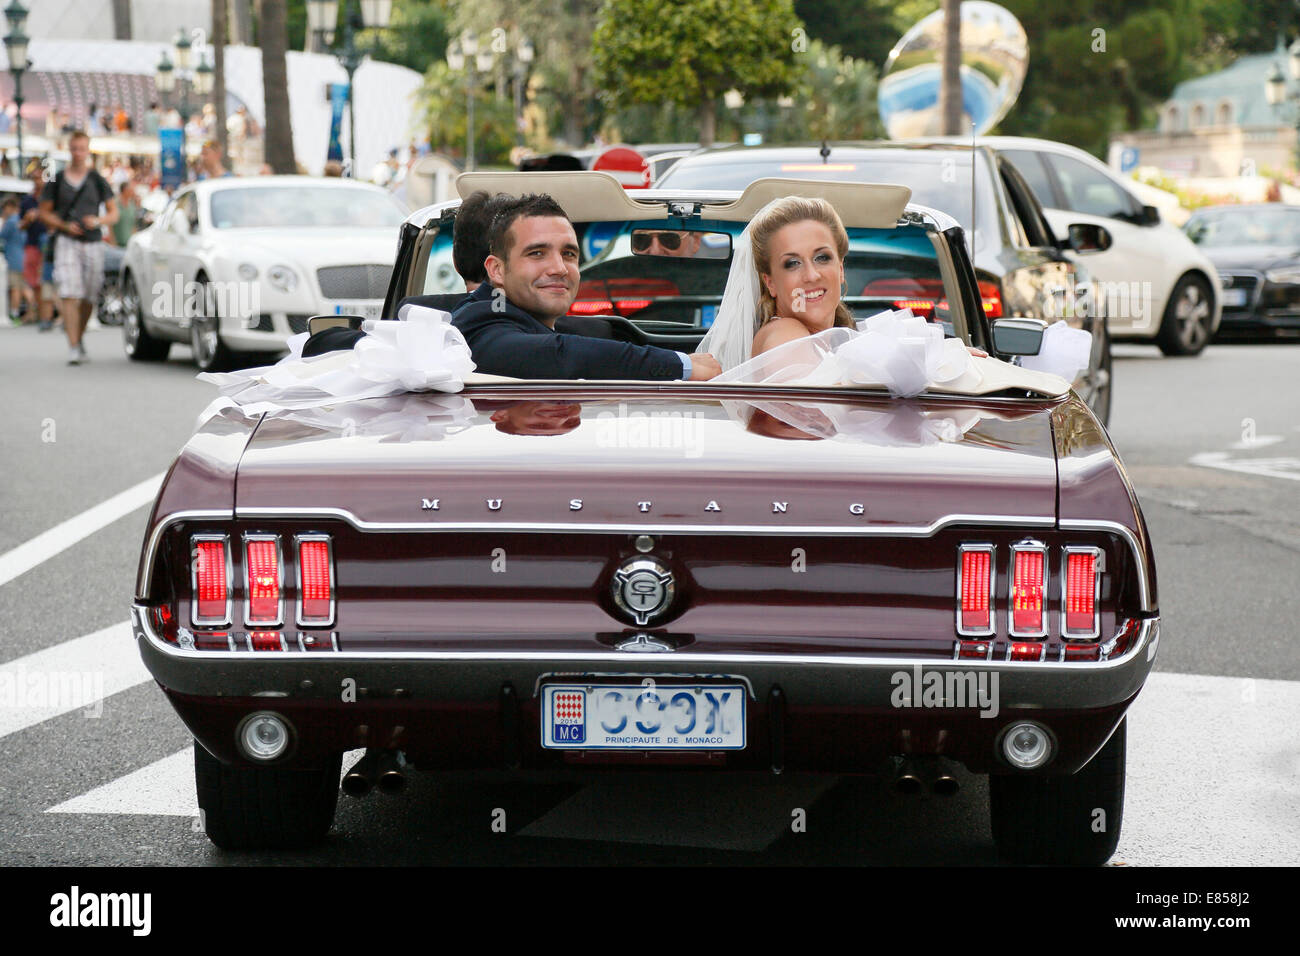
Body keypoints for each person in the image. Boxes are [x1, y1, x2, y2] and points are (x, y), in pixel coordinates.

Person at [451, 194, 719, 380]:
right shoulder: (479, 319)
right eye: (537, 253)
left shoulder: (531, 321)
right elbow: (561, 355)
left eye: (568, 254)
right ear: (496, 269)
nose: (559, 268)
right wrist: (682, 365)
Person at [701, 196, 857, 371]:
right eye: (792, 263)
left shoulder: (835, 338)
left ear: (841, 269)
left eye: (822, 258)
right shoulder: (785, 333)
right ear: (770, 282)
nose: (811, 275)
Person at [39, 130, 118, 364]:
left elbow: (113, 213)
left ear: (88, 150)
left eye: (82, 149)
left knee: (89, 294)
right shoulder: (57, 179)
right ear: (69, 149)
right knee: (69, 292)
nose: (78, 153)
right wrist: (63, 225)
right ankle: (73, 345)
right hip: (67, 241)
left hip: (93, 241)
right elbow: (44, 212)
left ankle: (79, 336)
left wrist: (98, 221)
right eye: (74, 148)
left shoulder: (97, 179)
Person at [19, 161, 50, 329]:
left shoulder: (49, 199)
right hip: (32, 244)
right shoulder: (27, 201)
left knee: (47, 280)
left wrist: (42, 216)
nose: (38, 180)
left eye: (40, 177)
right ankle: (40, 315)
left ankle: (47, 316)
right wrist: (27, 219)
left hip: (48, 244)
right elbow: (19, 225)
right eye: (35, 177)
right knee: (34, 282)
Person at [2, 196, 26, 323]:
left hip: (14, 259)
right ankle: (35, 312)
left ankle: (14, 314)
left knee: (16, 288)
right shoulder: (23, 219)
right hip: (24, 257)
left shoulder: (11, 221)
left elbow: (2, 235)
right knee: (26, 288)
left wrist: (4, 221)